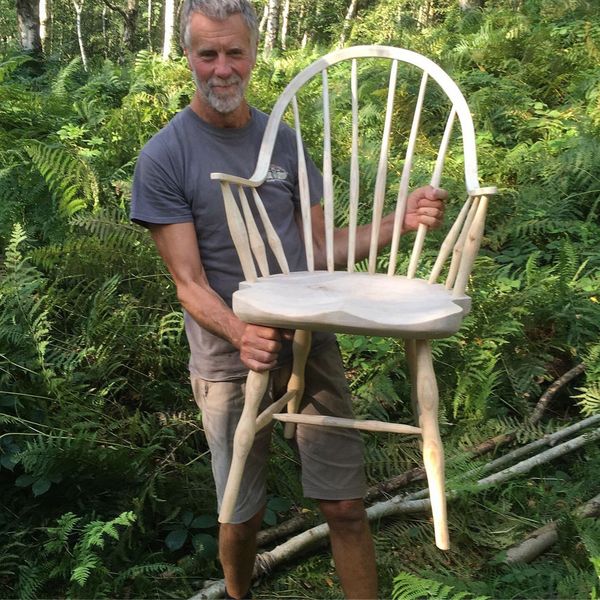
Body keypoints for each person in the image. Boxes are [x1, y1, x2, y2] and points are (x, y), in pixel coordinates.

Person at [130, 1, 446, 598]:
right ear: (189, 58)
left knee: (347, 507)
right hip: (230, 358)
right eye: (208, 54)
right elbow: (189, 283)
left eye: (235, 52)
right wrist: (240, 332)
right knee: (241, 514)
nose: (222, 69)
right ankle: (237, 593)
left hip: (310, 339)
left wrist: (397, 221)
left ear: (253, 55)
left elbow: (321, 249)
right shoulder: (165, 156)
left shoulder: (284, 144)